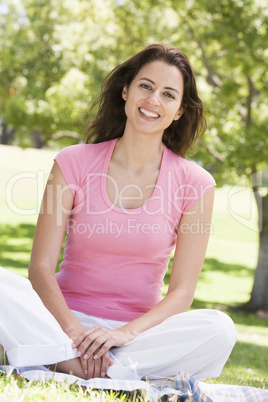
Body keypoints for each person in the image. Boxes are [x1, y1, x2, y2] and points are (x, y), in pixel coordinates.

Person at [0, 44, 236, 382]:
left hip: (136, 336)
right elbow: (39, 267)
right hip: (59, 321)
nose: (153, 100)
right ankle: (86, 365)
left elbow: (182, 293)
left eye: (168, 94)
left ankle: (61, 363)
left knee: (220, 329)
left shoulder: (196, 183)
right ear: (126, 91)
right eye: (145, 86)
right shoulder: (73, 161)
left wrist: (122, 335)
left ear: (179, 110)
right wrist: (74, 334)